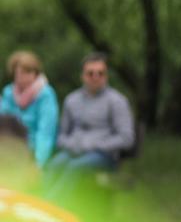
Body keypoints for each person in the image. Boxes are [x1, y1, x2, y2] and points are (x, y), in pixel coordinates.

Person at [44, 52, 134, 205]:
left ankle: (51, 207)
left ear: (106, 76)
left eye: (100, 73)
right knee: (55, 164)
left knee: (76, 167)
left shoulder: (117, 101)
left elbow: (126, 138)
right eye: (90, 73)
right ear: (83, 76)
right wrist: (72, 144)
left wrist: (93, 145)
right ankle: (38, 203)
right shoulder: (71, 100)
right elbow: (61, 136)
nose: (95, 77)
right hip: (73, 152)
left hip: (103, 156)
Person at [0, 51, 59, 167]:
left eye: (27, 72)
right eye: (19, 73)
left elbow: (45, 133)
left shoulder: (46, 95)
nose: (22, 77)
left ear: (36, 74)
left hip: (32, 149)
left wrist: (38, 162)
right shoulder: (9, 92)